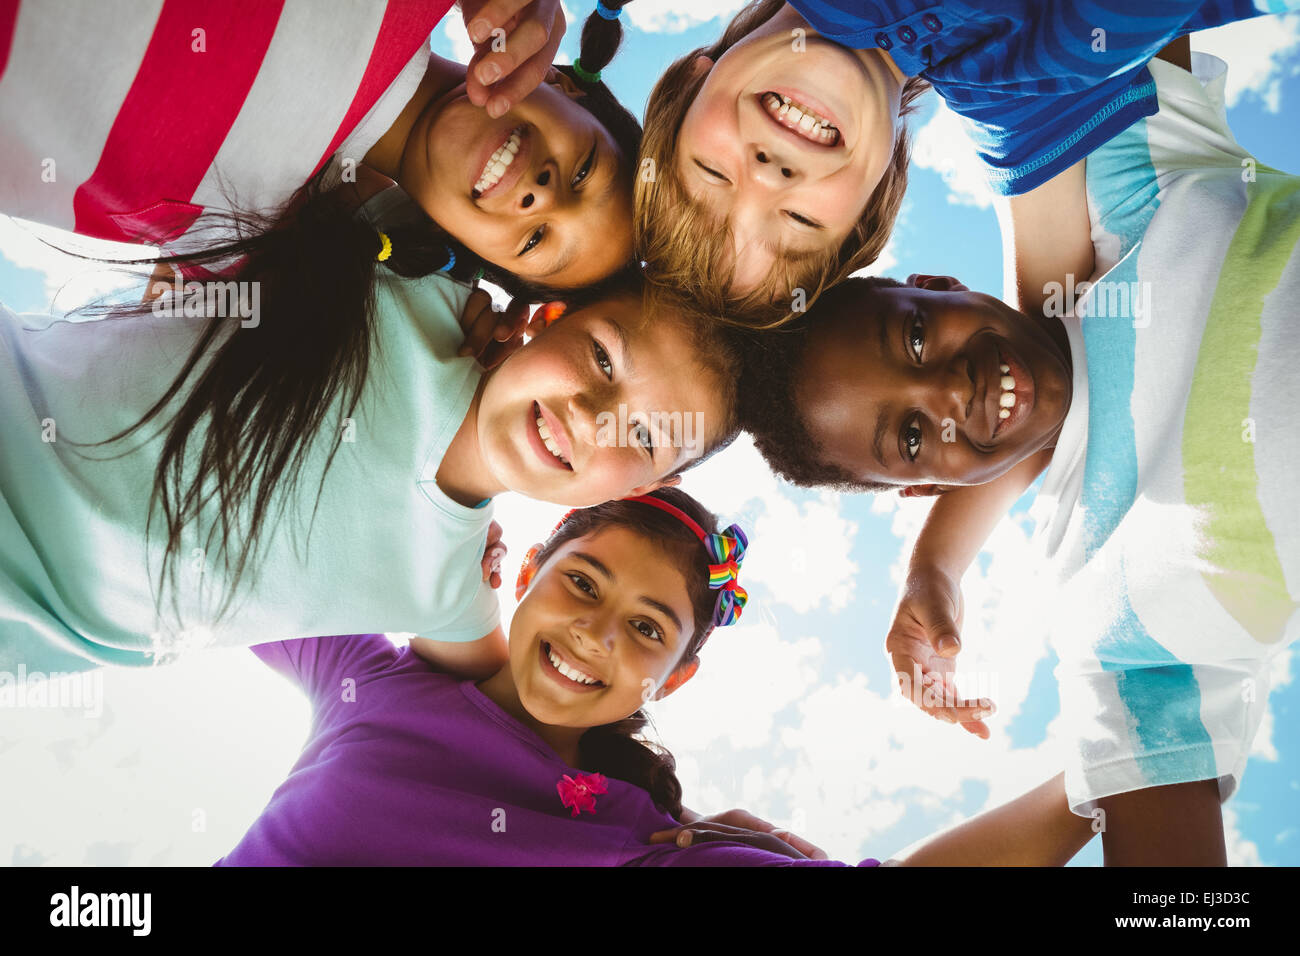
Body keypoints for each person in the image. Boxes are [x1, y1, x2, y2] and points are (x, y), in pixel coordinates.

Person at [736, 51, 1299, 863]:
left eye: (917, 335)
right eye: (911, 437)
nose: (950, 391)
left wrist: (933, 571)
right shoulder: (1105, 624)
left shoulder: (1126, 195)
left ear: (940, 283)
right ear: (924, 485)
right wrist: (933, 573)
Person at [0, 175, 741, 674]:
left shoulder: (454, 593)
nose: (590, 416)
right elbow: (368, 123)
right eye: (602, 359)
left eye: (644, 437)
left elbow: (530, 721)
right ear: (548, 317)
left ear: (650, 482)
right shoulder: (410, 270)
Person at [216, 489, 1095, 866]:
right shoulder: (365, 673)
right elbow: (224, 545)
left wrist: (1107, 764)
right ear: (525, 575)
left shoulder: (637, 841)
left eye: (645, 628)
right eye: (581, 583)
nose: (595, 633)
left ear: (671, 682)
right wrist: (423, 561)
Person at [634, 0, 1294, 325]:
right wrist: (936, 565)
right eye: (800, 220)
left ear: (695, 79)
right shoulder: (1010, 87)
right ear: (876, 199)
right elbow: (1048, 334)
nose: (769, 178)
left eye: (712, 176)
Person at [0, 0, 638, 291]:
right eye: (585, 169)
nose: (542, 195)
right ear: (561, 82)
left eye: (536, 242)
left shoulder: (250, 245)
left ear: (471, 253)